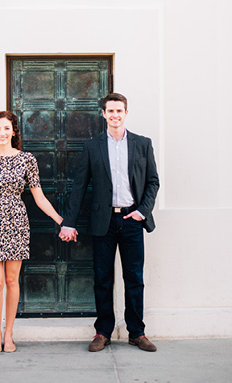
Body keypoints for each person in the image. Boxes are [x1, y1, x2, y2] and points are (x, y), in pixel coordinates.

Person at [58, 93, 160, 353]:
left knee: (134, 278)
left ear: (126, 113)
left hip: (132, 221)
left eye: (119, 111)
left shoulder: (142, 144)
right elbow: (80, 185)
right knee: (102, 278)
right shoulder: (93, 146)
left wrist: (142, 211)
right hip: (103, 222)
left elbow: (152, 182)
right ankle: (103, 331)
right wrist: (68, 222)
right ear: (103, 114)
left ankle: (136, 332)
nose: (115, 115)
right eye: (110, 111)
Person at [0, 111, 63, 353]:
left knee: (12, 280)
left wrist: (59, 219)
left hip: (16, 221)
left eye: (6, 128)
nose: (2, 133)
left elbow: (39, 196)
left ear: (14, 131)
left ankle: (9, 334)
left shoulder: (26, 159)